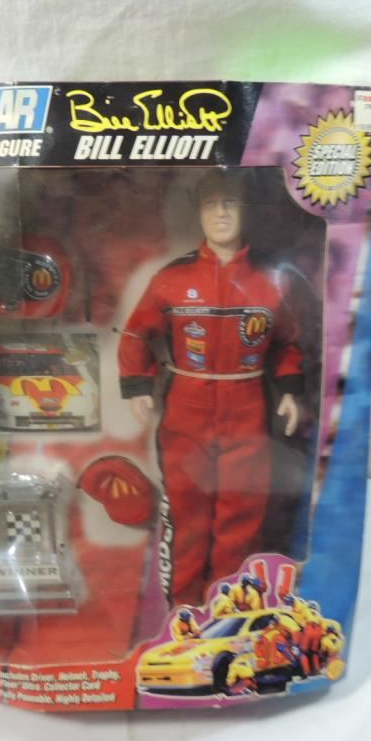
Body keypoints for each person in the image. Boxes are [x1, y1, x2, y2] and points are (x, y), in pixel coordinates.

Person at [119, 170, 304, 605]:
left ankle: (227, 610)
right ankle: (182, 610)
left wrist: (290, 390)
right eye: (211, 203)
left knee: (242, 518)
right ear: (199, 213)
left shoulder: (272, 279)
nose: (221, 213)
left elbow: (289, 342)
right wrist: (138, 385)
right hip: (186, 414)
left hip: (248, 412)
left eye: (231, 202)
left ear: (247, 210)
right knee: (188, 518)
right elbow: (136, 333)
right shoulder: (173, 278)